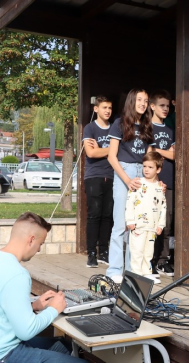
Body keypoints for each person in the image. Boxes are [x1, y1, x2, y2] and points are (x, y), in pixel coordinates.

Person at [0, 212, 86, 363]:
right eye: (40, 244)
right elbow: (26, 332)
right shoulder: (16, 274)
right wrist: (54, 309)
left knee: (64, 346)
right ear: (31, 240)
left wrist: (33, 306)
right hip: (2, 355)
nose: (39, 250)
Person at [107, 88, 154, 283]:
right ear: (131, 101)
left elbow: (149, 156)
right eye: (139, 100)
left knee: (136, 226)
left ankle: (131, 269)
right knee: (120, 224)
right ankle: (114, 270)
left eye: (146, 100)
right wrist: (127, 180)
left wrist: (150, 180)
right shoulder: (119, 123)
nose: (143, 104)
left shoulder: (147, 126)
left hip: (141, 173)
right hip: (124, 172)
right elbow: (111, 156)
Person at [83, 95, 114, 268]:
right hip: (94, 176)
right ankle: (91, 253)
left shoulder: (115, 128)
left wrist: (101, 149)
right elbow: (91, 153)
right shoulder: (90, 128)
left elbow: (115, 152)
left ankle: (104, 251)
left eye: (110, 108)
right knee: (94, 214)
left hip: (111, 176)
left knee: (107, 215)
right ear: (96, 109)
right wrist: (111, 149)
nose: (108, 111)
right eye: (104, 108)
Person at [126, 152, 166, 284]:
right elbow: (129, 202)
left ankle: (146, 273)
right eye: (144, 166)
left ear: (158, 169)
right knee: (136, 251)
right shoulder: (137, 183)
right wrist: (130, 221)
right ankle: (136, 275)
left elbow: (163, 206)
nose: (146, 170)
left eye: (150, 167)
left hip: (152, 227)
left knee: (148, 252)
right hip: (138, 226)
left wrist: (161, 224)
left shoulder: (160, 187)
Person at [150, 89, 175, 277]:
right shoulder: (147, 128)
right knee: (151, 222)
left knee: (166, 223)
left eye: (167, 106)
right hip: (153, 182)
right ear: (152, 106)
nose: (165, 109)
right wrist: (158, 151)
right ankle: (150, 259)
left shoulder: (169, 130)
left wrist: (158, 149)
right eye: (162, 105)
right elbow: (148, 154)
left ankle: (163, 260)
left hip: (170, 181)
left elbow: (174, 155)